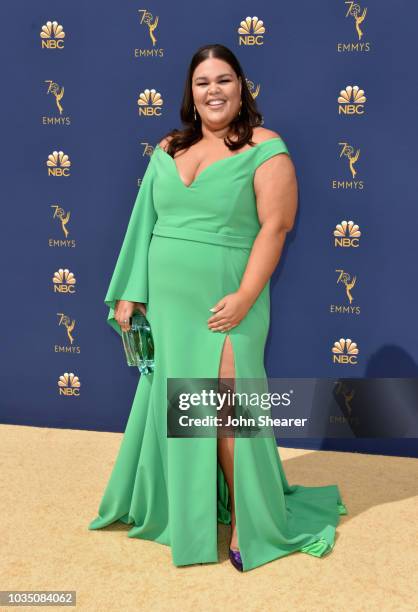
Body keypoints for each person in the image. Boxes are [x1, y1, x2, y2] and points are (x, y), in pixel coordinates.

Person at [88, 43, 347, 572]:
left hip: (229, 298)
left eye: (224, 80)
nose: (213, 90)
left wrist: (246, 296)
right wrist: (131, 293)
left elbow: (276, 228)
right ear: (191, 91)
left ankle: (253, 523)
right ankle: (192, 511)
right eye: (203, 81)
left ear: (241, 86)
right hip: (169, 303)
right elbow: (144, 223)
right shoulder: (168, 145)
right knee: (183, 409)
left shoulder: (266, 147)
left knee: (226, 410)